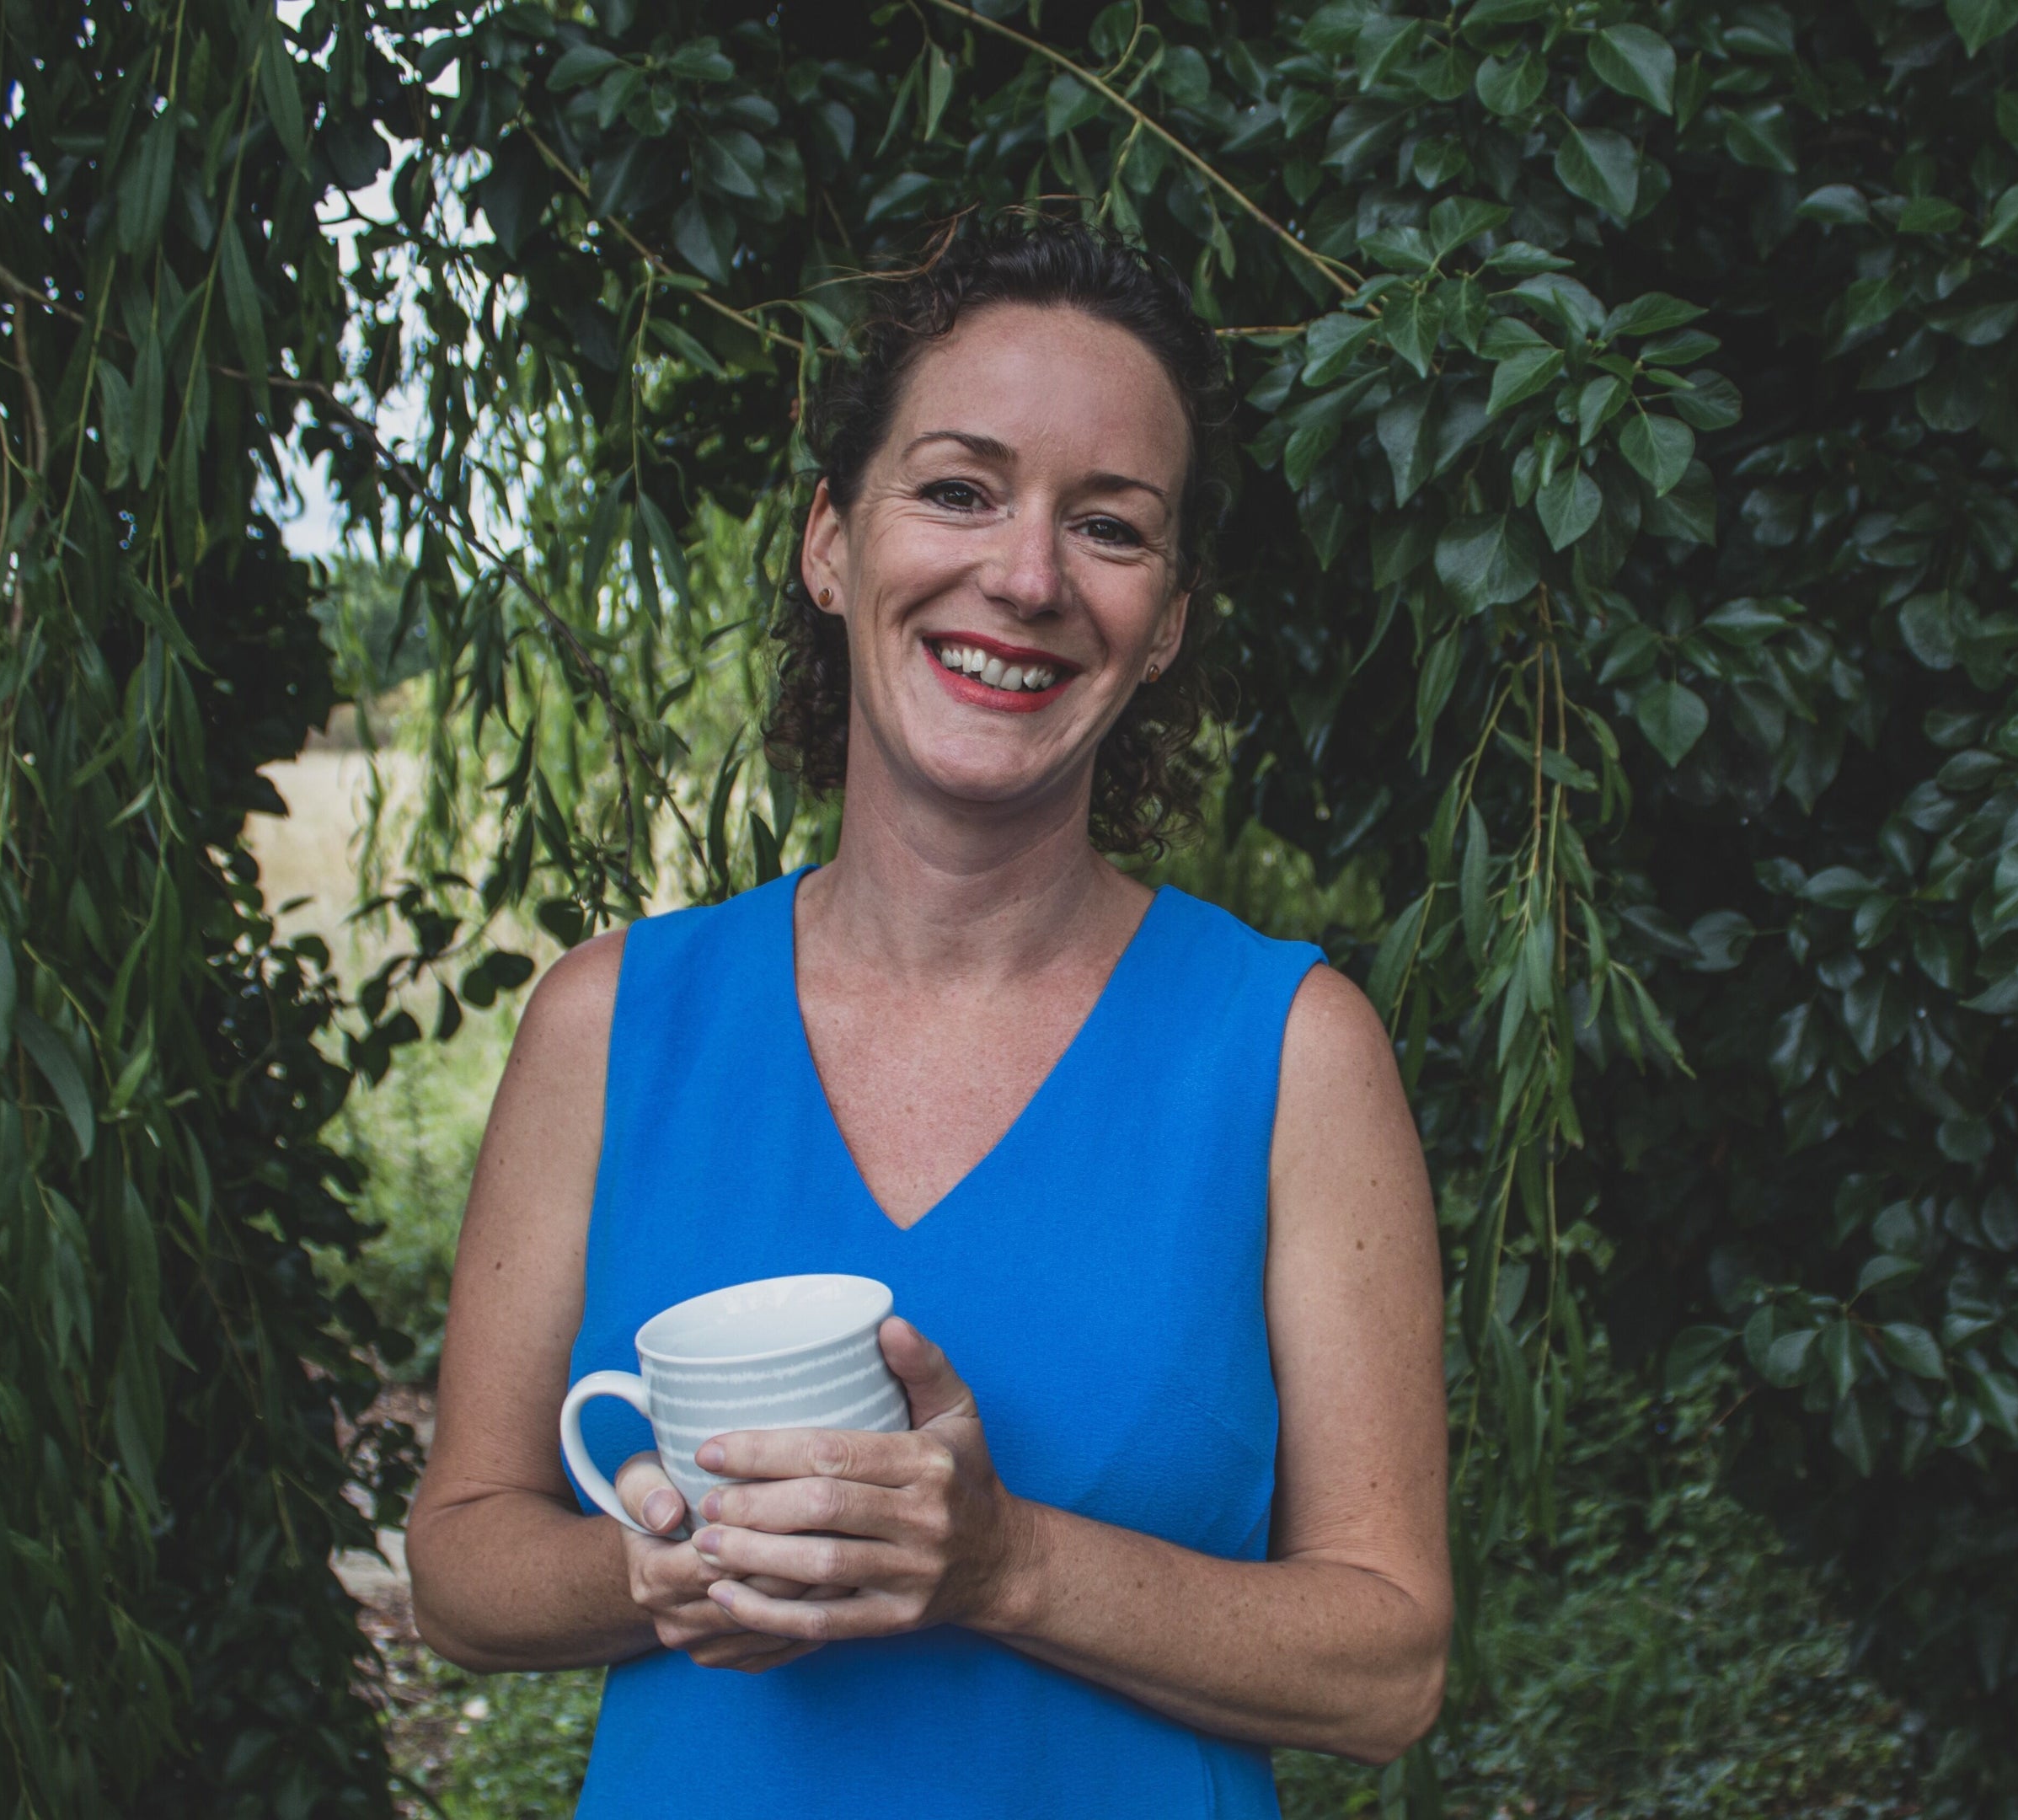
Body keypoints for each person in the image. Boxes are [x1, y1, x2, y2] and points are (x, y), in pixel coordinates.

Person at [404, 218, 1451, 1817]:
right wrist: (665, 1570)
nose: (1025, 578)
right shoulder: (610, 1027)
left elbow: (1387, 1670)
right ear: (831, 544)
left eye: (1109, 526)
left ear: (1168, 620)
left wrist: (1004, 1564)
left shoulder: (1290, 1051)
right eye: (960, 490)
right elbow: (461, 1567)